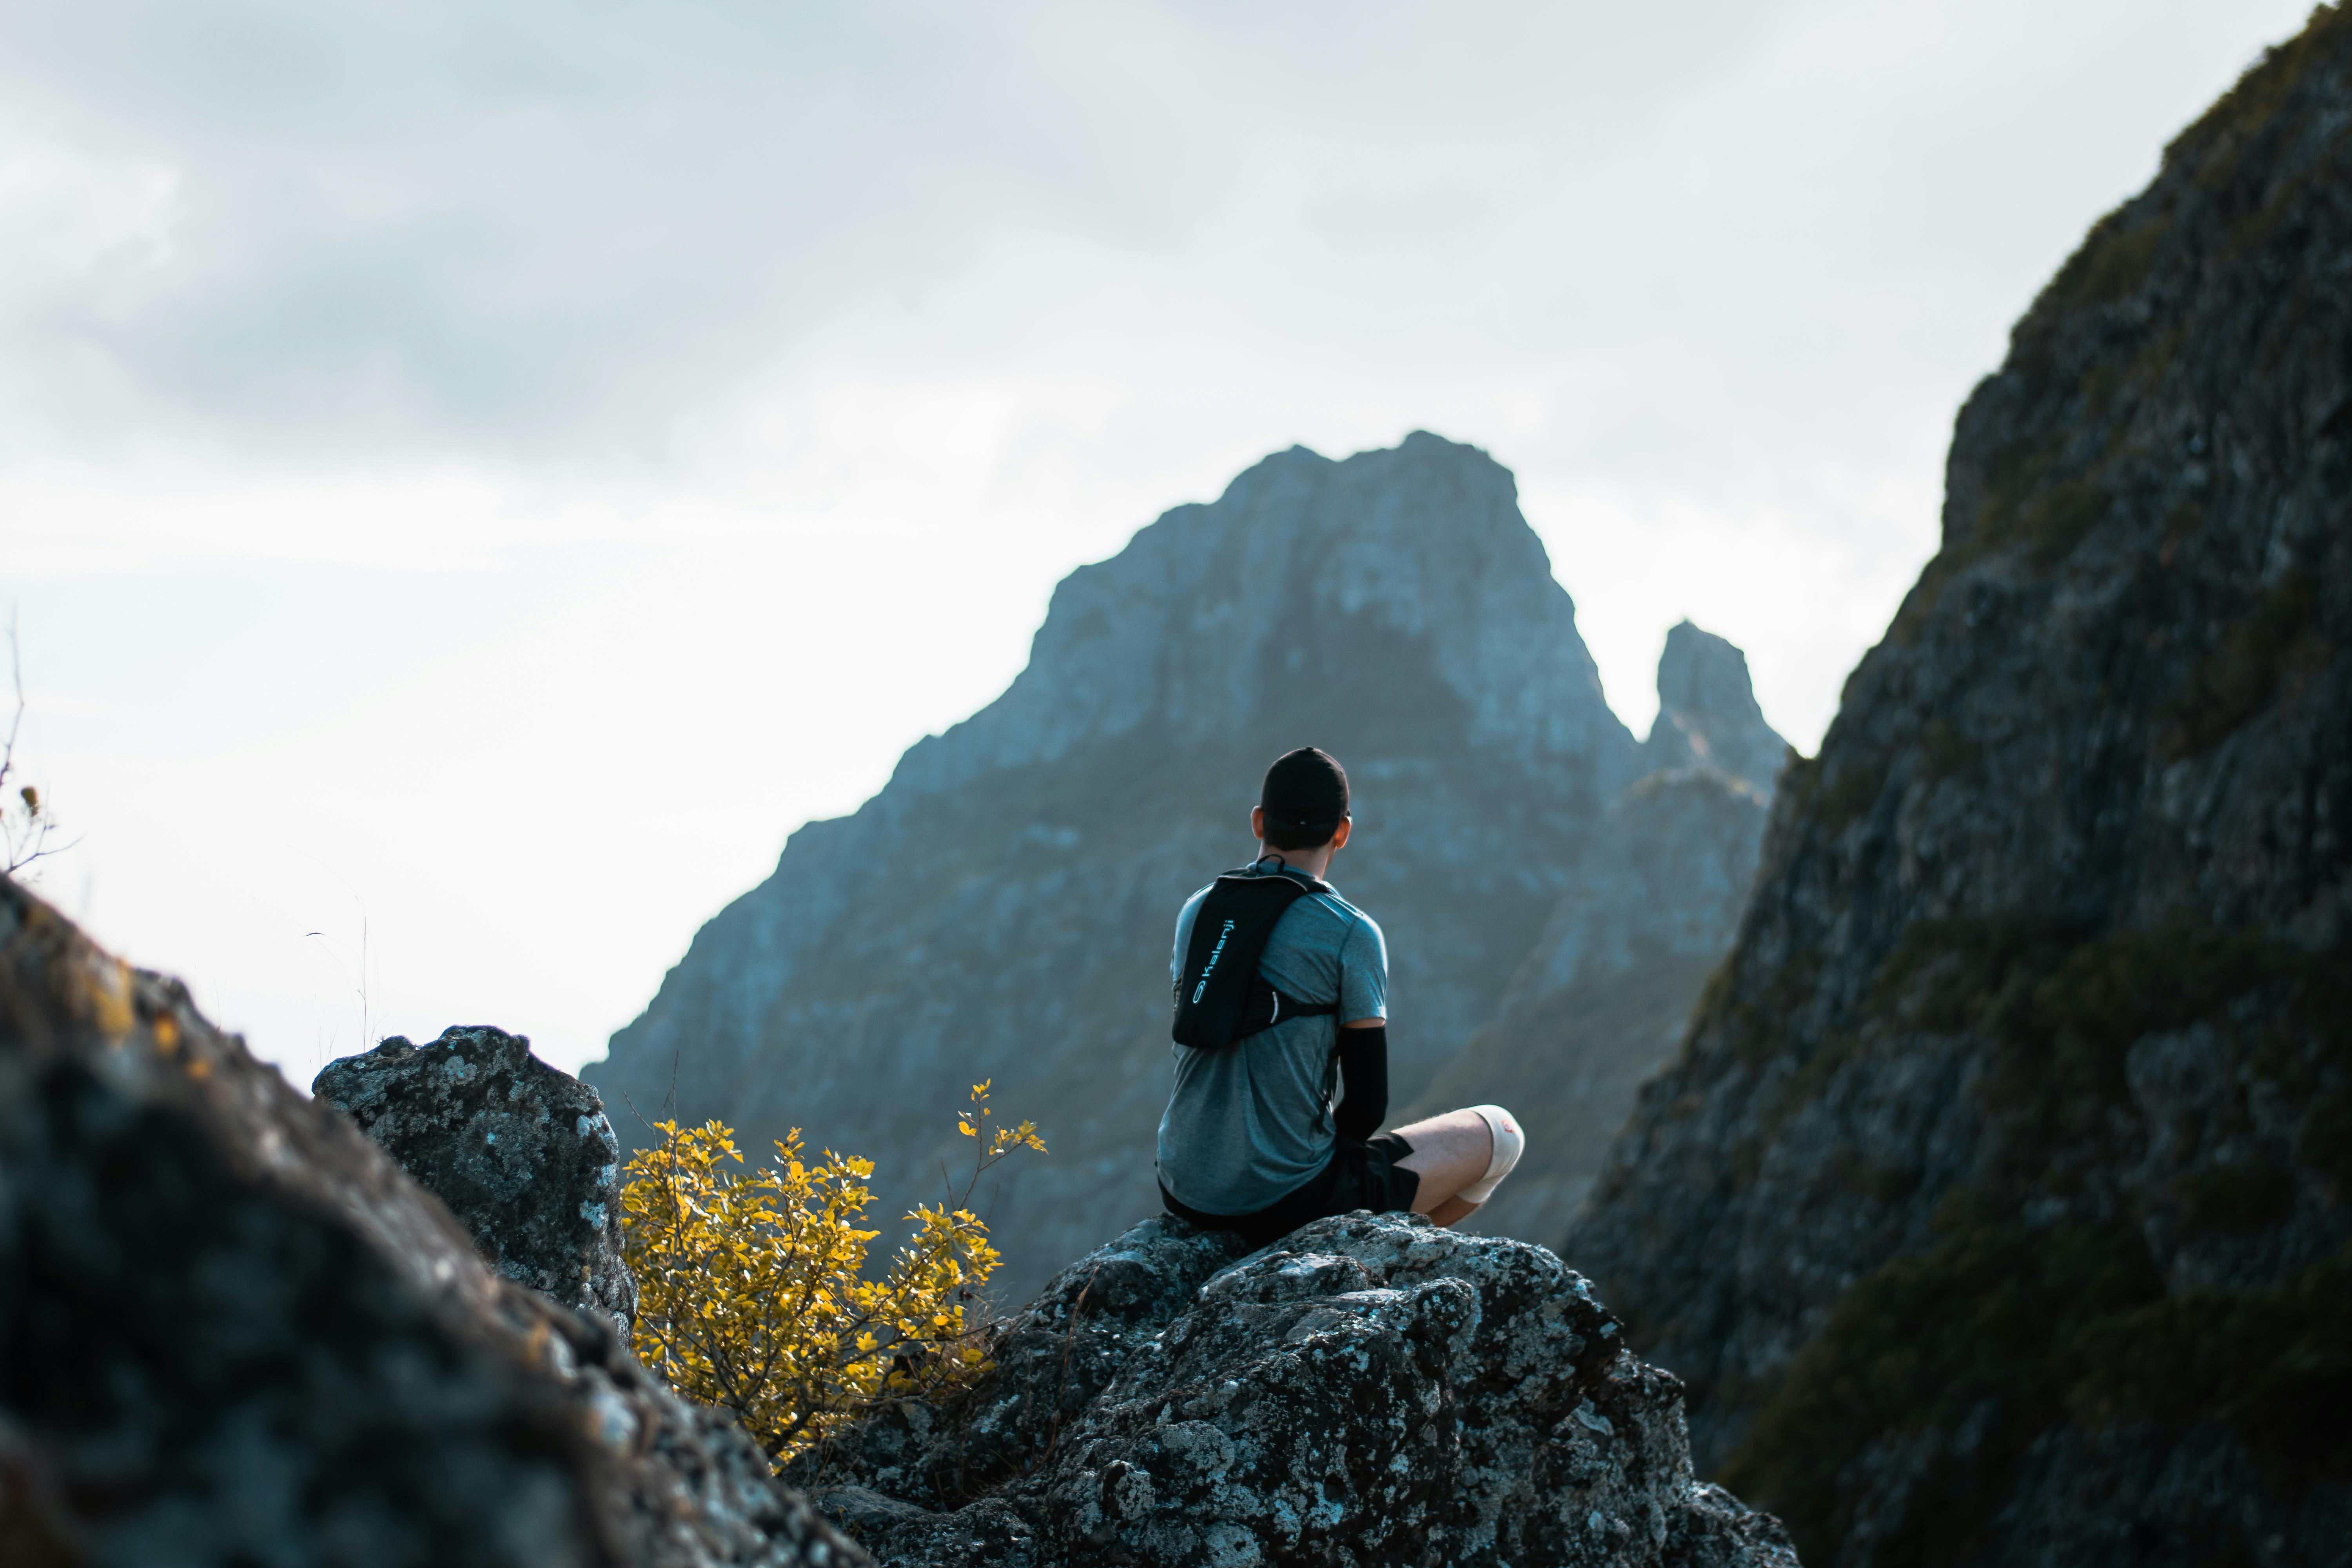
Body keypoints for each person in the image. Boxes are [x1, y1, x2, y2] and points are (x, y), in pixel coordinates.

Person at [1154, 746, 1524, 1246]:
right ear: (1343, 832)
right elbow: (1368, 1104)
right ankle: (1380, 1259)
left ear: (1259, 822)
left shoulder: (1197, 911)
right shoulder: (1351, 932)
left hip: (1183, 1188)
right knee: (1502, 1135)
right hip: (1281, 1201)